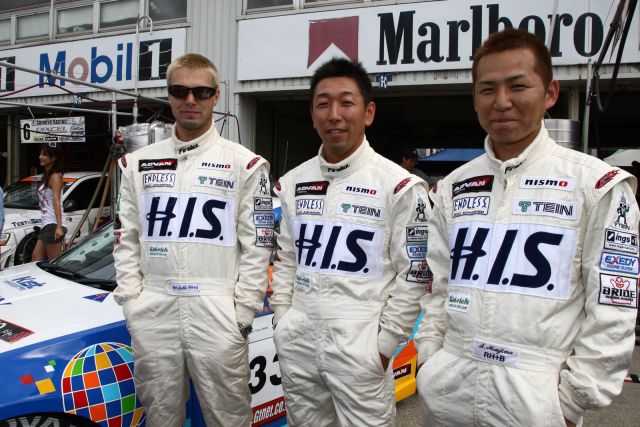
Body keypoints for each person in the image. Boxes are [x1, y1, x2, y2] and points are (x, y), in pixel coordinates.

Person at [415, 28, 639, 427]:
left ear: (550, 93)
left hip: (536, 401)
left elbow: (612, 309)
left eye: (517, 86)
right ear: (475, 98)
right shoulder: (452, 187)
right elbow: (439, 286)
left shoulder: (597, 186)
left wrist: (570, 403)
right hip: (449, 390)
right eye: (487, 90)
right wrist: (432, 358)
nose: (501, 102)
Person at [112, 53, 273, 426]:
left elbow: (258, 244)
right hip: (154, 305)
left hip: (217, 307)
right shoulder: (136, 163)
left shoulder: (246, 165)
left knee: (228, 416)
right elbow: (125, 237)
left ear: (217, 97)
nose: (190, 100)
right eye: (179, 90)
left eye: (201, 92)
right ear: (168, 95)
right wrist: (132, 303)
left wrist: (243, 312)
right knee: (160, 415)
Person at [271, 57, 432, 426]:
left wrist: (384, 345)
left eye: (346, 102)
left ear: (368, 112)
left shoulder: (399, 185)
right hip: (299, 341)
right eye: (323, 103)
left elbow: (415, 274)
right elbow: (286, 260)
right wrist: (284, 320)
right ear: (312, 114)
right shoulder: (292, 183)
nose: (334, 114)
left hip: (361, 347)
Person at [32, 143, 66, 261]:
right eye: (40, 154)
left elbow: (56, 201)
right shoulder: (47, 176)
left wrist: (59, 227)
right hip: (47, 224)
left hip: (53, 224)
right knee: (36, 258)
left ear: (54, 158)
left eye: (44, 155)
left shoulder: (55, 176)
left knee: (54, 263)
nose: (40, 157)